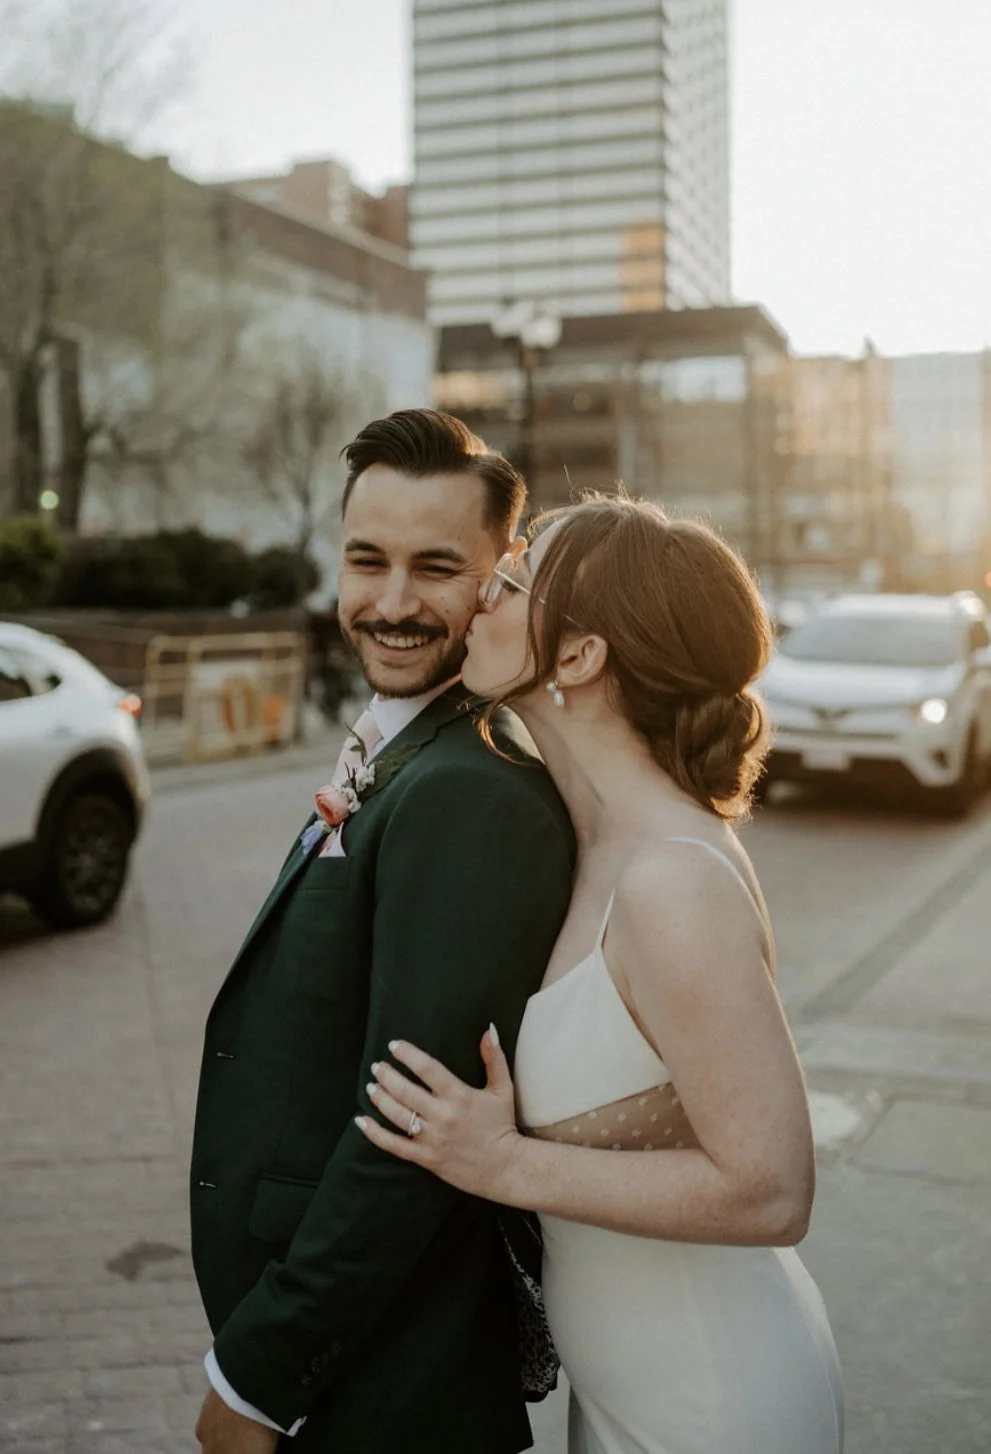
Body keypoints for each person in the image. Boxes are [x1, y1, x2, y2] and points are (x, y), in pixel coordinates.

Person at [357, 494, 845, 1454]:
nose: (481, 598)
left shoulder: (670, 881)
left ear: (577, 658)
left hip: (716, 1404)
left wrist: (500, 1162)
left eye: (510, 584)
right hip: (627, 1395)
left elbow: (772, 1190)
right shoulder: (589, 842)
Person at [189, 410, 576, 1454]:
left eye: (436, 568)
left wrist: (260, 1375)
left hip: (389, 1378)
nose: (393, 604)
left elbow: (412, 1129)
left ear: (501, 574)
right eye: (368, 561)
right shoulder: (406, 751)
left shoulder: (472, 791)